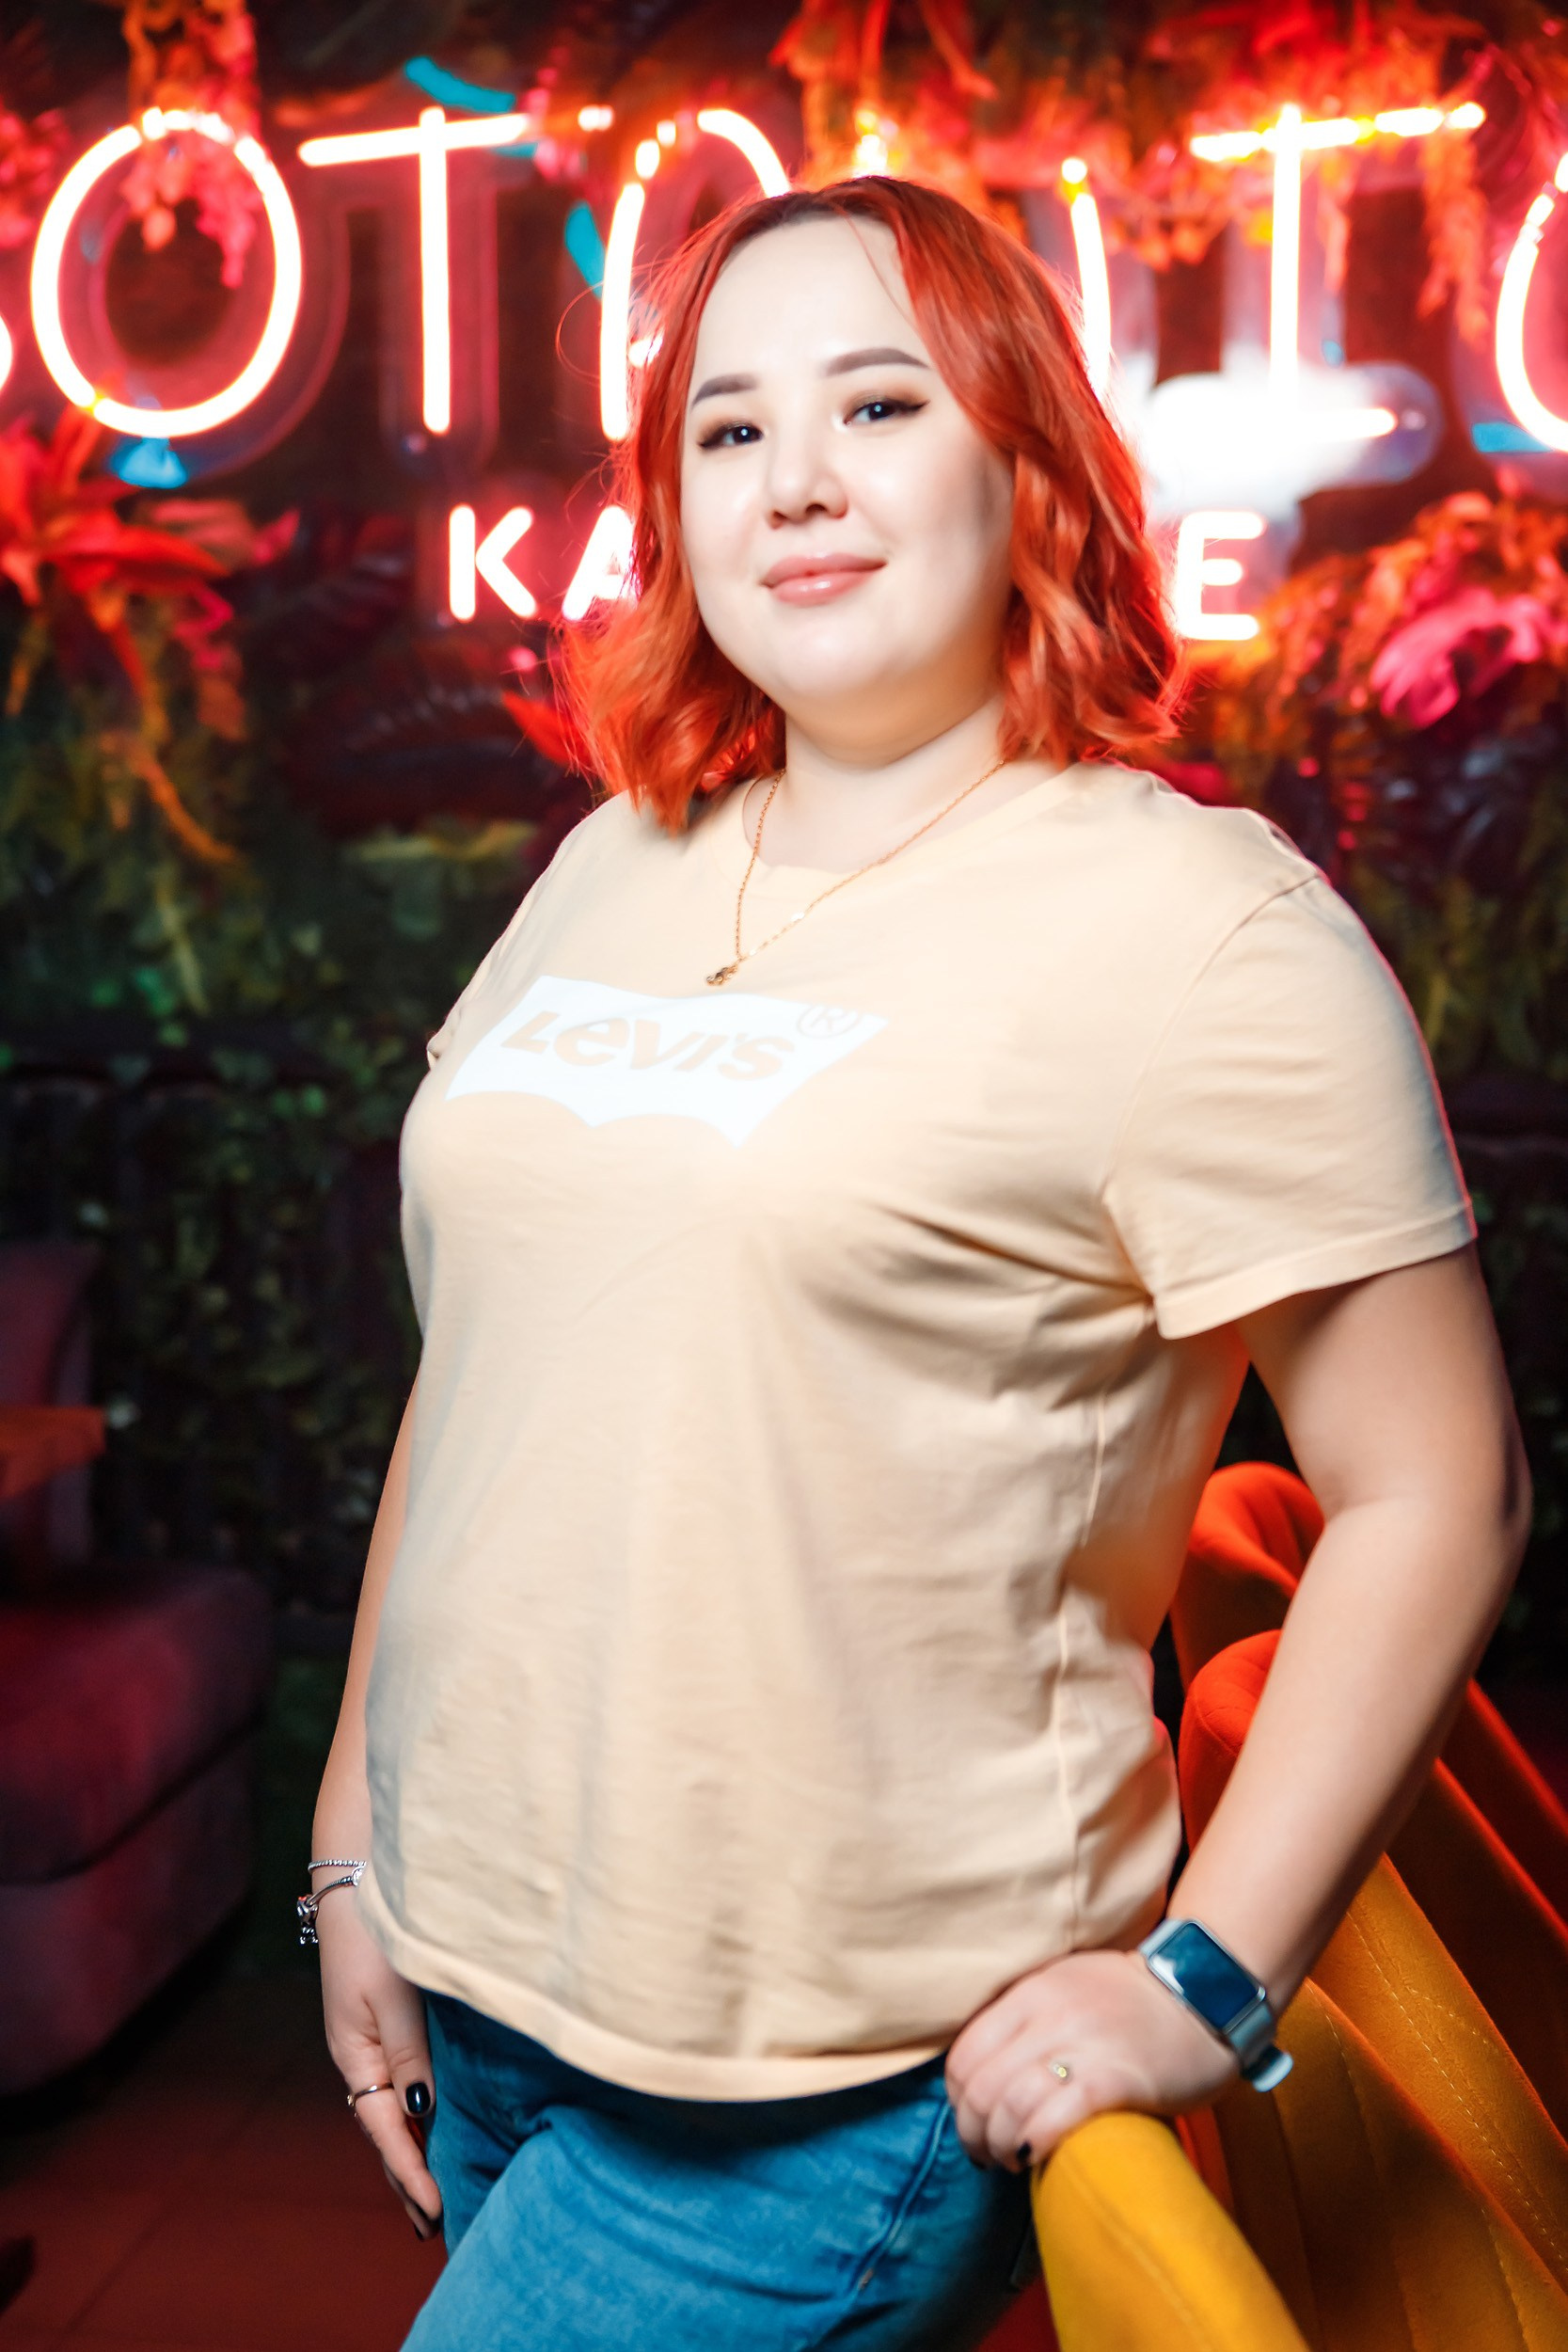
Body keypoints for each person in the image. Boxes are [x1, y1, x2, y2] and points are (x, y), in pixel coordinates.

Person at [306, 177, 1529, 2349]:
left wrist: (1208, 1976)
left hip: (826, 2088)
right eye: (730, 428)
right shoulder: (612, 859)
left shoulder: (1207, 933)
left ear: (1026, 458)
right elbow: (488, 1375)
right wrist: (356, 1842)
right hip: (487, 1984)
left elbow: (1443, 1489)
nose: (797, 479)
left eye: (878, 403)